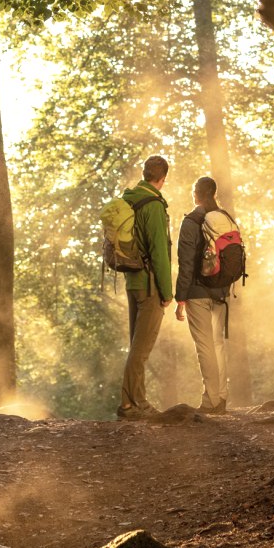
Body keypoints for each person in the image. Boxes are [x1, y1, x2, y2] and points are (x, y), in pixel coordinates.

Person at [118, 154, 173, 419]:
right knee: (141, 349)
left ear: (144, 173)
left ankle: (131, 403)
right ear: (161, 179)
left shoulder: (129, 198)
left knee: (135, 345)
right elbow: (159, 252)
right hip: (150, 283)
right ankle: (134, 403)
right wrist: (167, 291)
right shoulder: (153, 205)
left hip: (132, 280)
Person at [174, 175, 233, 413]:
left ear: (195, 194)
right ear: (214, 193)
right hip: (220, 291)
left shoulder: (192, 221)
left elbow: (185, 263)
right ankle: (221, 397)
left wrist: (181, 298)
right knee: (218, 344)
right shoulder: (225, 219)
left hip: (198, 292)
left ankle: (211, 400)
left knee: (205, 346)